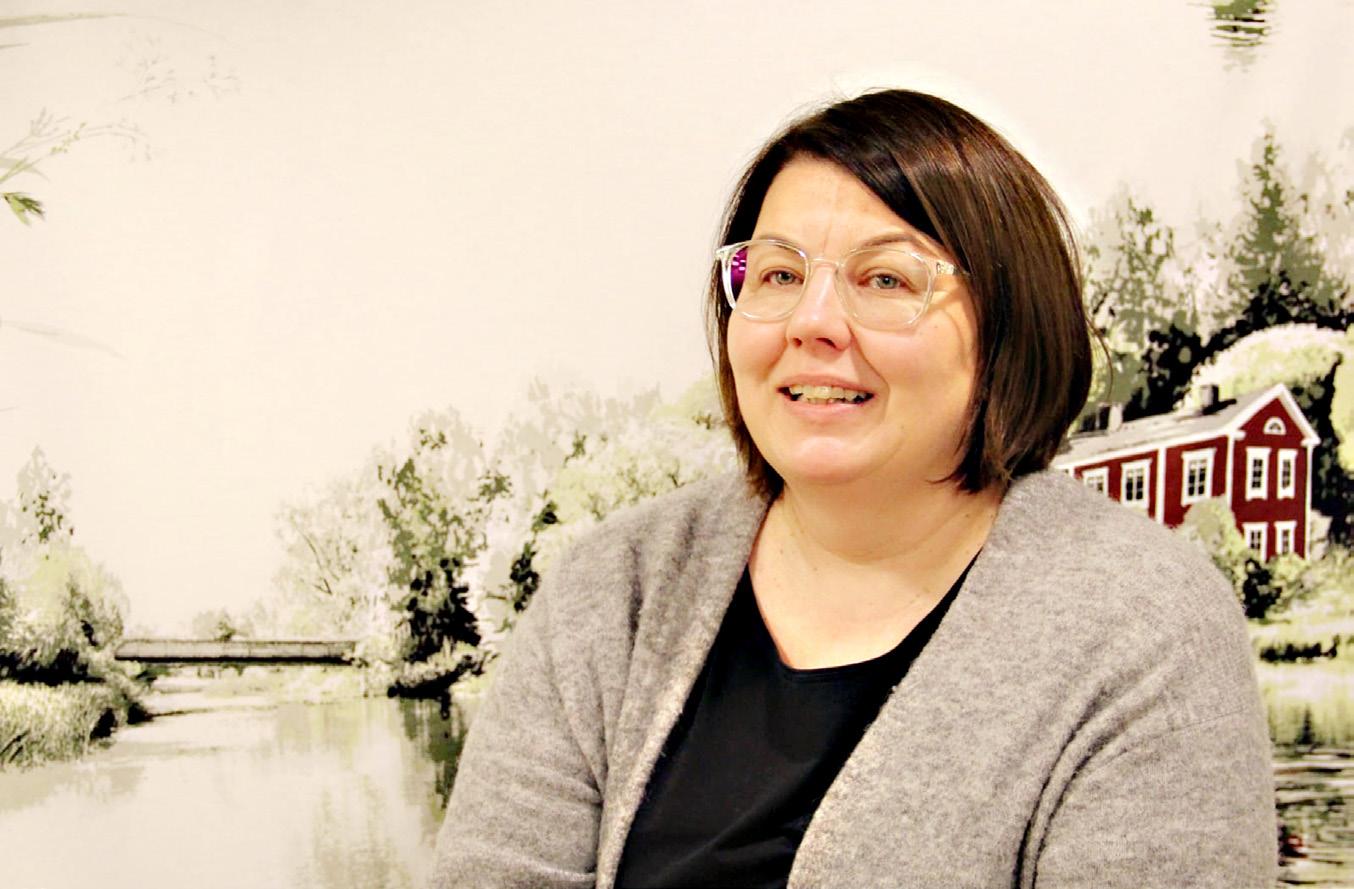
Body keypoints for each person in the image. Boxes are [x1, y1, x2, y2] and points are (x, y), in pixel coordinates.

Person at [428, 89, 1276, 888]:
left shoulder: (1143, 629)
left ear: (1009, 326)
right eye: (778, 275)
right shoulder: (614, 590)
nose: (812, 323)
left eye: (885, 279)